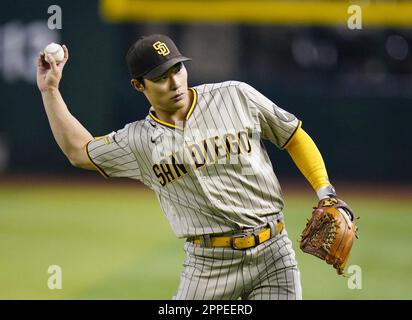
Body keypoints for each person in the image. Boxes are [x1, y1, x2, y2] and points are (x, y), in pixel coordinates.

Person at [37, 34, 340, 300]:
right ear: (138, 85)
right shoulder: (138, 141)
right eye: (160, 77)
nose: (175, 83)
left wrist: (325, 191)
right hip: (209, 266)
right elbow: (79, 151)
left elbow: (293, 136)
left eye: (177, 69)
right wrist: (50, 91)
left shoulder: (236, 95)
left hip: (274, 253)